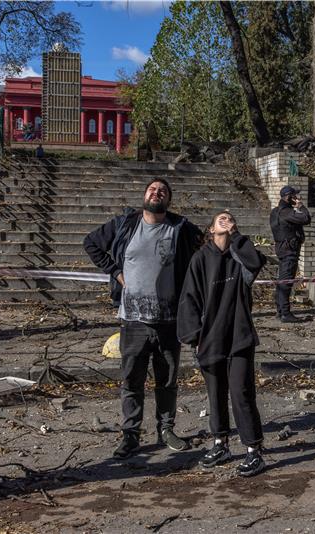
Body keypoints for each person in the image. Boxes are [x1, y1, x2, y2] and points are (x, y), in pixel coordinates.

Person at [83, 178, 203, 459]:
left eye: (162, 191)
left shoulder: (180, 228)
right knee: (131, 381)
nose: (156, 193)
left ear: (168, 199)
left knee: (168, 381)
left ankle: (166, 429)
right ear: (144, 195)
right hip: (133, 320)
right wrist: (115, 271)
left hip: (169, 320)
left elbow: (207, 247)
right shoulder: (126, 224)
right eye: (152, 189)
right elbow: (91, 243)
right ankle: (131, 435)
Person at [177, 211, 268, 477]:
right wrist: (194, 336)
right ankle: (221, 443)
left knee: (241, 392)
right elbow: (189, 298)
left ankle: (254, 451)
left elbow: (255, 262)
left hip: (239, 335)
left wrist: (237, 235)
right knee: (215, 393)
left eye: (230, 218)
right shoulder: (200, 259)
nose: (226, 220)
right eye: (221, 218)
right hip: (211, 338)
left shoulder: (240, 256)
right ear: (210, 228)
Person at [270, 185, 311, 322]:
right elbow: (306, 218)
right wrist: (301, 207)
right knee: (286, 282)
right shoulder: (287, 212)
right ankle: (285, 314)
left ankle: (280, 311)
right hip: (289, 251)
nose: (297, 198)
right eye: (295, 196)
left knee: (282, 280)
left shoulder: (275, 211)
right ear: (289, 198)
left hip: (282, 249)